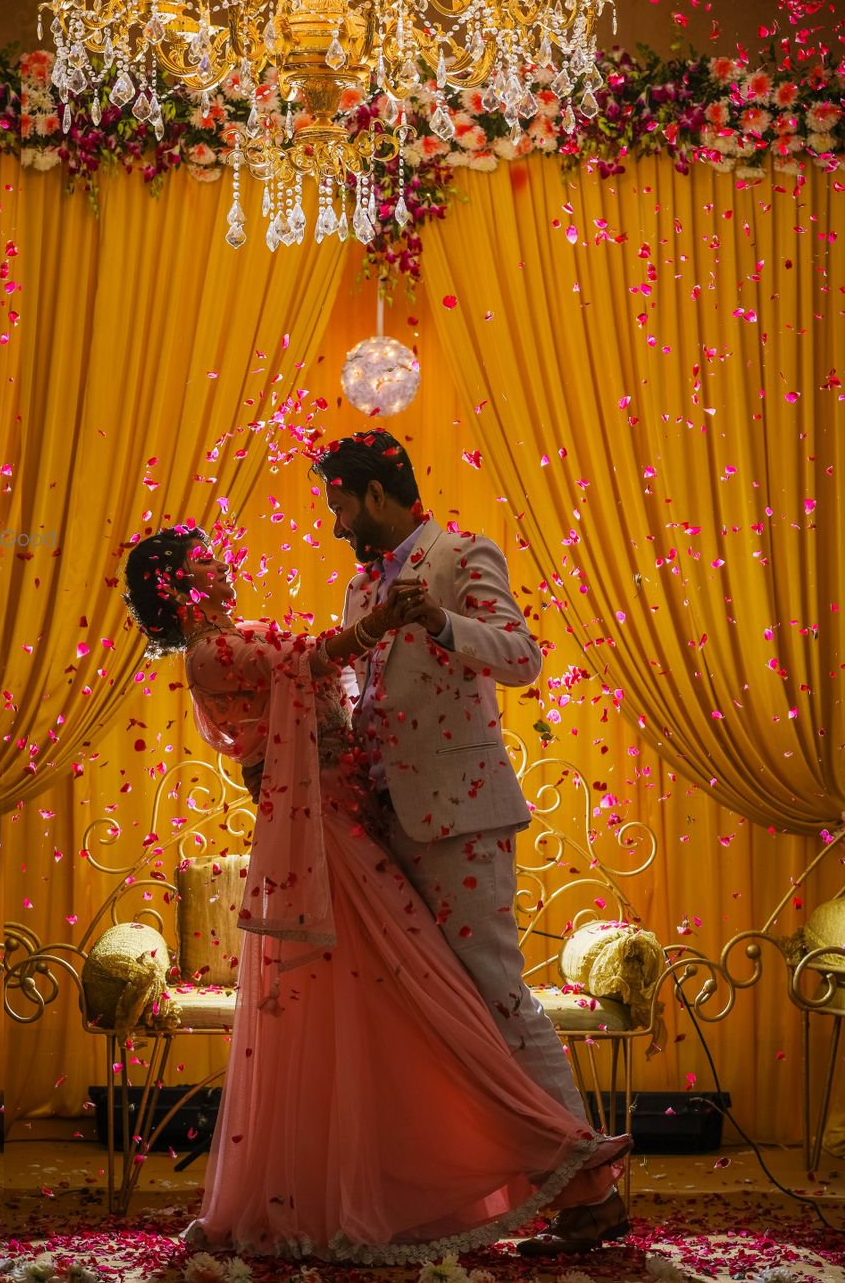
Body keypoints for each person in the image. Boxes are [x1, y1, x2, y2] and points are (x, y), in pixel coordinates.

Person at [122, 524, 630, 1262]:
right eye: (206, 563)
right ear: (176, 588)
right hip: (326, 846)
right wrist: (382, 624)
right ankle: (562, 1165)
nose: (223, 568)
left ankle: (537, 1174)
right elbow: (317, 660)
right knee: (424, 1009)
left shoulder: (244, 639)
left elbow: (336, 689)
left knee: (419, 1009)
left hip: (357, 830)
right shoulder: (212, 654)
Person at [313, 430, 629, 1257]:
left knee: (496, 998)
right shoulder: (356, 588)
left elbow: (522, 657)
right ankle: (446, 1194)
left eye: (342, 502)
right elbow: (367, 692)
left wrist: (446, 624)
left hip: (459, 818)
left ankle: (591, 1190)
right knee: (424, 1015)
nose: (338, 521)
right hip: (383, 823)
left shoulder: (460, 553)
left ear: (378, 493)